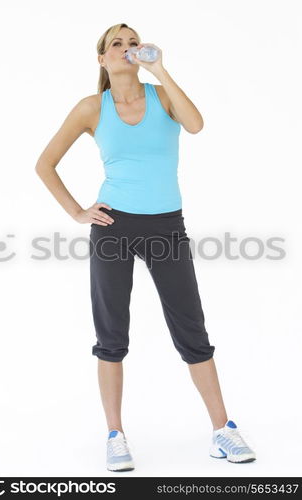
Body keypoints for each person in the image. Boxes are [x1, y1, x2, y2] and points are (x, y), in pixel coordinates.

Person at [35, 23, 256, 472]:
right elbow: (45, 164)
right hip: (113, 227)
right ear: (102, 59)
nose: (126, 48)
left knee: (191, 329)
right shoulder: (90, 108)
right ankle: (115, 435)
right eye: (116, 43)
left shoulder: (161, 97)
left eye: (133, 42)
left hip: (166, 227)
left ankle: (222, 430)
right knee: (112, 334)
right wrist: (79, 212)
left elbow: (195, 125)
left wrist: (161, 70)